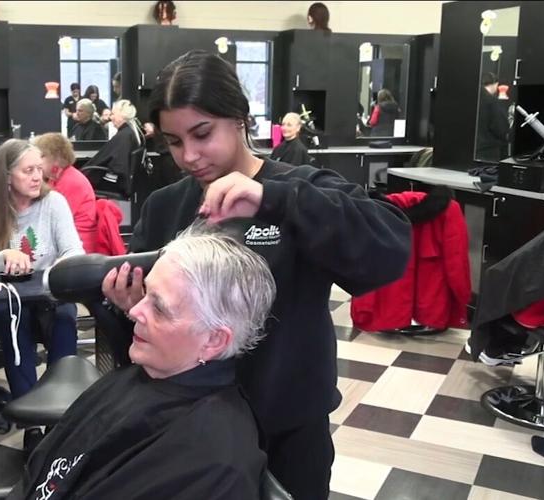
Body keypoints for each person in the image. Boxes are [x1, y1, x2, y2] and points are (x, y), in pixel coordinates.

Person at [100, 50, 411, 499]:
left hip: (286, 426)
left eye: (202, 134)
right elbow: (153, 325)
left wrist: (275, 200)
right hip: (189, 428)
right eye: (173, 141)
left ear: (240, 118)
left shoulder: (299, 188)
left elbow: (388, 249)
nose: (189, 156)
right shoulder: (166, 206)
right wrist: (132, 307)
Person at [9, 225, 274, 499]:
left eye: (159, 308)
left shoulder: (216, 463)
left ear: (213, 340)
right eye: (145, 294)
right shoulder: (139, 376)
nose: (134, 310)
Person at [0, 139, 84, 455]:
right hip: (0, 303)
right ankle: (32, 425)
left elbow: (74, 249)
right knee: (17, 321)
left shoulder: (54, 203)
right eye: (28, 170)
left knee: (64, 316)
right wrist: (2, 256)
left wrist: (62, 264)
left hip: (45, 295)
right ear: (6, 176)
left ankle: (61, 421)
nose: (36, 178)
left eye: (39, 171)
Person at [33, 133, 98, 253]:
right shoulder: (56, 178)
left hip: (79, 247)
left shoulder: (71, 181)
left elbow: (52, 220)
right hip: (67, 241)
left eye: (41, 156)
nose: (37, 162)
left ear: (55, 158)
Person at [83, 99, 145, 195]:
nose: (111, 118)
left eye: (113, 114)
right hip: (122, 182)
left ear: (122, 115)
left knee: (78, 181)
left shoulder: (124, 136)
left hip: (114, 184)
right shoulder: (130, 132)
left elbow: (118, 166)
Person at [476, 72, 510, 162]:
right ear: (496, 84)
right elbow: (500, 127)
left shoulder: (475, 98)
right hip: (489, 148)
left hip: (474, 148)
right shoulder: (492, 101)